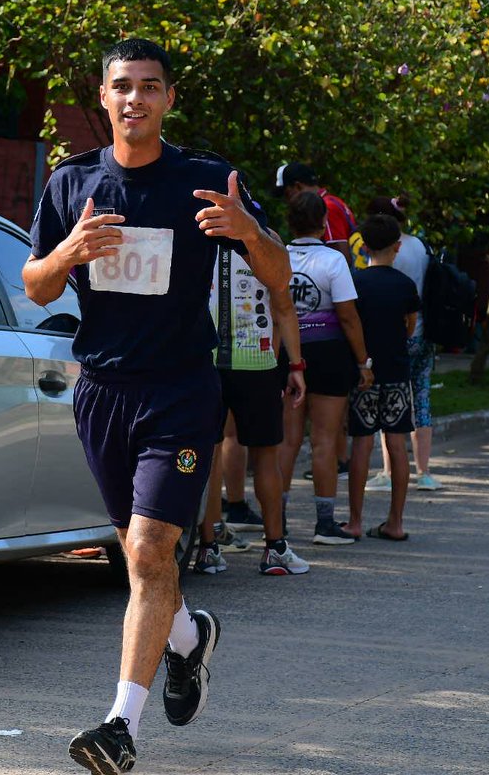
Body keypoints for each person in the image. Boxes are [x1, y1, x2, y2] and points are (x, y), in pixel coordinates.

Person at [22, 39, 290, 775]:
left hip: (180, 391)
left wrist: (251, 233)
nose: (135, 98)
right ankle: (187, 642)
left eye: (149, 87)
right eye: (122, 87)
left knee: (148, 552)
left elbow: (279, 269)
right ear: (103, 98)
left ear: (169, 98)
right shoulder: (71, 183)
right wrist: (68, 251)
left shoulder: (207, 180)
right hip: (102, 393)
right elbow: (37, 286)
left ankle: (119, 726)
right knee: (143, 558)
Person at [195, 232, 307, 576]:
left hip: (204, 362)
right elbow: (284, 308)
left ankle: (209, 549)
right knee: (265, 457)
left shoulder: (197, 237)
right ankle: (275, 548)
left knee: (208, 458)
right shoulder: (264, 240)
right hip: (256, 364)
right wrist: (297, 366)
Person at [276, 191, 372, 547]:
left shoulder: (278, 256)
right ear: (323, 223)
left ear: (290, 222)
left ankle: (278, 520)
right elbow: (348, 316)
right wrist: (363, 362)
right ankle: (324, 523)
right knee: (325, 441)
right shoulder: (334, 261)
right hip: (330, 353)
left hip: (289, 352)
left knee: (286, 440)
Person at [359, 196, 444, 493]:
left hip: (392, 337)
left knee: (387, 400)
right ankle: (424, 470)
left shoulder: (391, 252)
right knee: (421, 398)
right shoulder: (420, 245)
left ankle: (387, 470)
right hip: (422, 332)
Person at [344, 215, 420, 542]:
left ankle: (355, 521)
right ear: (397, 247)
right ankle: (396, 522)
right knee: (397, 444)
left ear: (364, 247)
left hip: (364, 374)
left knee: (361, 443)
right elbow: (410, 327)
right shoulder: (405, 285)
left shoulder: (355, 282)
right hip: (397, 372)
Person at [273, 162, 357, 264]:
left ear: (298, 186)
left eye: (287, 195)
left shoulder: (326, 207)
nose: (288, 201)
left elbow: (341, 257)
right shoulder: (333, 200)